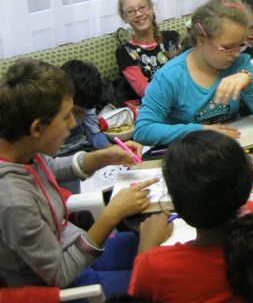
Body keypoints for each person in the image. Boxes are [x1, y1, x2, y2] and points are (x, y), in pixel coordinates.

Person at [0, 59, 171, 297]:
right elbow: (60, 274)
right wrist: (112, 214)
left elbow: (52, 168)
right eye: (66, 117)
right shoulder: (13, 199)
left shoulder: (21, 149)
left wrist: (102, 157)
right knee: (163, 281)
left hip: (74, 245)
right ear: (37, 128)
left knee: (166, 251)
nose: (73, 124)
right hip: (64, 284)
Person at [129, 130, 253, 302]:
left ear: (180, 202)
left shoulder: (155, 268)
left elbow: (136, 297)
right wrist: (233, 197)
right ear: (247, 183)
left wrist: (146, 244)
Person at [133, 0, 253, 146]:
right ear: (201, 41)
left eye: (240, 45)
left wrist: (249, 81)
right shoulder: (170, 77)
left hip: (230, 144)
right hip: (189, 149)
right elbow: (143, 130)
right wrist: (199, 131)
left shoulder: (239, 64)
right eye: (228, 48)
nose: (236, 53)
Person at [115, 0, 181, 104]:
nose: (138, 14)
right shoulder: (125, 52)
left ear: (151, 8)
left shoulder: (172, 38)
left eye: (142, 7)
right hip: (159, 104)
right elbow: (143, 90)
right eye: (130, 11)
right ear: (124, 17)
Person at [56, 60, 110, 157]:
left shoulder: (86, 104)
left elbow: (94, 133)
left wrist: (109, 149)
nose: (73, 123)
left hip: (84, 148)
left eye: (85, 112)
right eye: (77, 112)